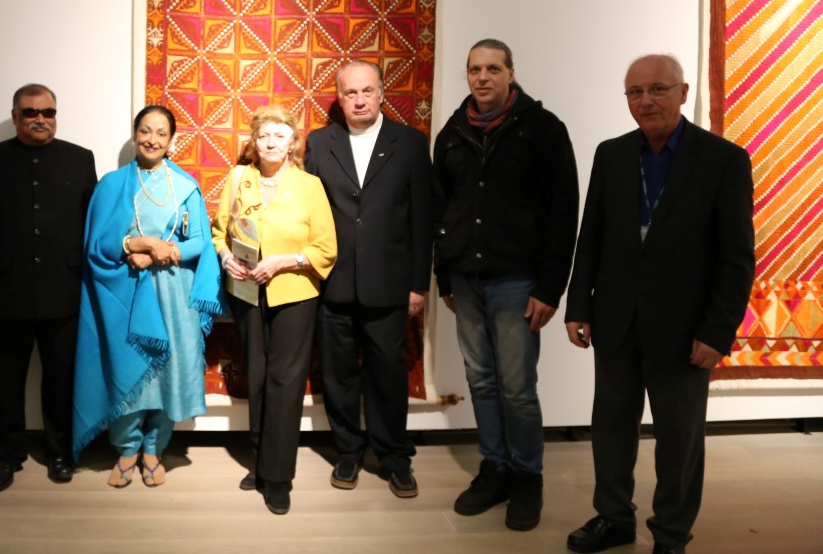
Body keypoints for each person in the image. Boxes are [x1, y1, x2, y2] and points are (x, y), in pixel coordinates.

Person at [564, 54, 755, 554]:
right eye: (635, 92)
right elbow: (592, 235)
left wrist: (717, 332)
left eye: (657, 89)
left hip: (686, 329)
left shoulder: (723, 160)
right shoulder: (611, 154)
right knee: (610, 429)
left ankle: (670, 533)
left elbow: (736, 259)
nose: (645, 100)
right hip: (617, 320)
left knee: (679, 439)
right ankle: (613, 518)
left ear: (683, 92)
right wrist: (578, 305)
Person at [432, 39, 579, 531]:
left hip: (518, 281)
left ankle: (527, 476)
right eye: (475, 69)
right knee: (481, 381)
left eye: (493, 68)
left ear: (511, 73)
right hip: (466, 280)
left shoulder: (543, 129)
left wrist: (550, 289)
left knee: (517, 388)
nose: (483, 77)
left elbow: (563, 213)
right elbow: (440, 211)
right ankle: (494, 467)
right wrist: (444, 273)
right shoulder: (452, 132)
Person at [72, 105, 223, 488]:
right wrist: (134, 245)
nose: (152, 139)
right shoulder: (112, 185)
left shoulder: (185, 185)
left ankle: (154, 449)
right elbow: (95, 245)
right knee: (128, 369)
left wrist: (160, 252)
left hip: (175, 295)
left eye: (161, 133)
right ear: (135, 133)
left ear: (172, 140)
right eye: (145, 130)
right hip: (125, 294)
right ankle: (127, 450)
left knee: (168, 375)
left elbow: (200, 242)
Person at [0, 84, 96, 491]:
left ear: (56, 116)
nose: (40, 119)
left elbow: (93, 227)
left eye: (48, 112)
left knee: (61, 380)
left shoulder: (81, 159)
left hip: (65, 290)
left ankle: (60, 453)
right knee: (5, 381)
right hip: (4, 292)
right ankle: (6, 456)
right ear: (15, 116)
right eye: (31, 112)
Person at [304, 61, 431, 499]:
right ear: (339, 99)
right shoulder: (319, 143)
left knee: (388, 376)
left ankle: (394, 457)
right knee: (338, 375)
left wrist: (419, 284)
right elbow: (307, 211)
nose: (359, 100)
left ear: (381, 93)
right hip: (332, 282)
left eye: (367, 91)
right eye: (350, 93)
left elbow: (422, 217)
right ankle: (347, 452)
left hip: (389, 284)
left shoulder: (410, 143)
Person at [212, 104, 337, 515]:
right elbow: (219, 232)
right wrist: (226, 257)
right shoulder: (238, 178)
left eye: (279, 136)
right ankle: (260, 462)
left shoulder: (310, 186)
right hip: (247, 291)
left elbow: (325, 248)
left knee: (286, 382)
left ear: (293, 143)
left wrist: (284, 261)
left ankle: (279, 477)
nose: (270, 142)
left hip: (295, 294)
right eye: (264, 135)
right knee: (258, 378)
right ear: (253, 141)